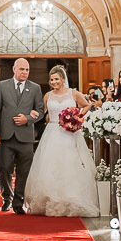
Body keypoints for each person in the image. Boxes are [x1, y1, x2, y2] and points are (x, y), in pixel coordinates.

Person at [24, 65, 99, 217]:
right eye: (51, 80)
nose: (53, 82)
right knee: (49, 166)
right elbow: (40, 112)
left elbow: (87, 105)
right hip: (51, 133)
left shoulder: (73, 93)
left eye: (56, 79)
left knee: (69, 164)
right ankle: (51, 198)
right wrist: (31, 114)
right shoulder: (48, 96)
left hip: (69, 134)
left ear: (63, 79)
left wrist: (75, 117)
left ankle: (70, 198)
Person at [0, 58, 44, 214]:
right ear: (14, 69)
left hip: (26, 137)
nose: (24, 72)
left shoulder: (35, 88)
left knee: (24, 171)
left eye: (27, 70)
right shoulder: (2, 86)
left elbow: (40, 112)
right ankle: (7, 198)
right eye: (21, 69)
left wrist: (27, 118)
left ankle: (18, 202)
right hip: (6, 136)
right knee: (4, 168)